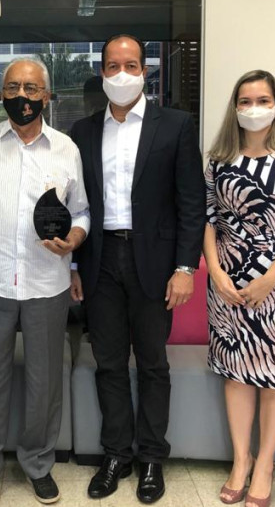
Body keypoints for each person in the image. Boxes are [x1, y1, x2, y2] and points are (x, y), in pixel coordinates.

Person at [69, 34, 206, 504]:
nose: (122, 74)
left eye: (131, 65)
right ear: (102, 73)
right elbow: (76, 204)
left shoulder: (176, 126)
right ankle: (115, 455)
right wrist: (74, 264)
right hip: (100, 259)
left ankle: (150, 457)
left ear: (145, 72)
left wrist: (185, 267)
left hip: (156, 262)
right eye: (113, 66)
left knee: (152, 363)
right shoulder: (83, 131)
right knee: (107, 363)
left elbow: (192, 204)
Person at [0, 57, 90, 507]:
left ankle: (38, 463)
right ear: (1, 93)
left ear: (46, 96)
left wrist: (73, 244)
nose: (22, 97)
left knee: (44, 382)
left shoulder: (66, 148)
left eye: (31, 89)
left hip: (47, 283)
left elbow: (81, 212)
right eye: (13, 88)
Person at [203, 71, 275, 507]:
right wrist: (216, 273)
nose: (254, 108)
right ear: (235, 107)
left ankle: (266, 463)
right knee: (236, 374)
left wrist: (268, 279)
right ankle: (242, 460)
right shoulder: (218, 160)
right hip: (227, 284)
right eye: (246, 100)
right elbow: (208, 220)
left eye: (263, 100)